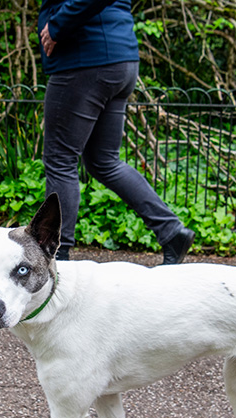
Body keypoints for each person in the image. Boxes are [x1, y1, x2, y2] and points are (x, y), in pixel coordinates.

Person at [38, 0, 194, 263]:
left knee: (60, 160)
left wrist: (57, 25)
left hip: (84, 59)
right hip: (119, 60)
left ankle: (56, 257)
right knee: (103, 161)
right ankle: (171, 232)